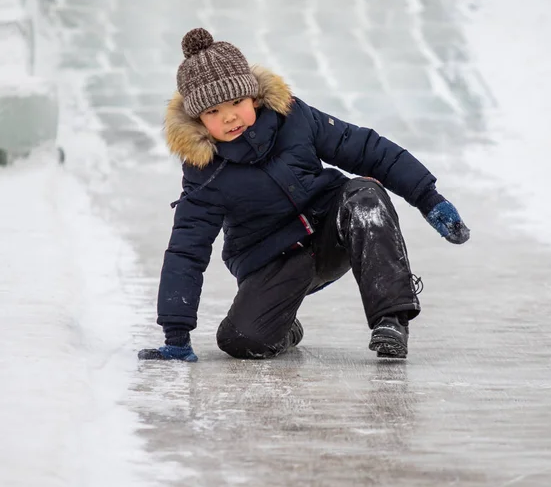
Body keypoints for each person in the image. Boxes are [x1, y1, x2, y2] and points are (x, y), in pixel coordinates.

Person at [138, 28, 470, 363]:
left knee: (364, 196)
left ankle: (391, 320)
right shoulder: (204, 172)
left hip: (332, 231)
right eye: (213, 112)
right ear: (198, 118)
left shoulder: (294, 118)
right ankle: (284, 328)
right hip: (271, 260)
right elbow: (186, 250)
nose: (229, 116)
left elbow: (366, 149)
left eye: (237, 102)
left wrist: (428, 198)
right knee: (240, 340)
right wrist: (176, 335)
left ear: (253, 97)